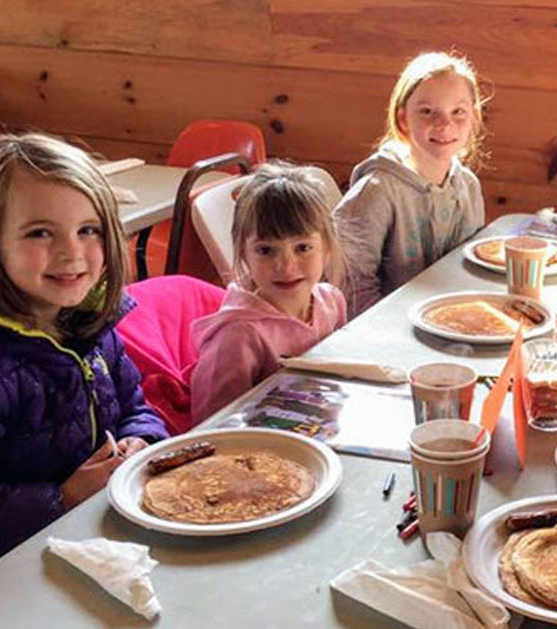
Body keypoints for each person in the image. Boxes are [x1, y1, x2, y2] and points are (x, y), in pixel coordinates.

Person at [0, 134, 169, 589]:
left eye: (88, 230)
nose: (72, 253)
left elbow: (135, 406)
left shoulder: (85, 323)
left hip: (90, 548)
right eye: (40, 233)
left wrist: (139, 442)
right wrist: (62, 499)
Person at [190, 162, 348, 422]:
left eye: (303, 247)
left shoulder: (332, 301)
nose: (286, 266)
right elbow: (212, 428)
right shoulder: (237, 337)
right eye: (266, 250)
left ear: (328, 247)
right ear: (243, 253)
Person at [334, 51, 487, 314]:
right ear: (403, 119)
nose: (445, 124)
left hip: (449, 322)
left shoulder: (468, 186)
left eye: (458, 112)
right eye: (428, 112)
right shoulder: (376, 191)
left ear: (473, 117)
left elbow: (469, 268)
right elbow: (348, 284)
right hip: (384, 332)